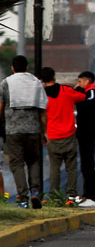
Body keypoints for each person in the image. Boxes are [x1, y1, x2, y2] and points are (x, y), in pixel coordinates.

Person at [0, 55, 47, 208]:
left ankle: (22, 197)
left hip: (13, 130)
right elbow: (43, 113)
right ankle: (35, 192)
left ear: (12, 68)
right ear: (27, 67)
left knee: (17, 163)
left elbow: (0, 108)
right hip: (33, 130)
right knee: (33, 161)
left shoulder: (6, 83)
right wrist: (43, 133)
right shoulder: (36, 83)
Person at [39, 66, 85, 205]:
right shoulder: (66, 91)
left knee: (54, 168)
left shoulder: (42, 96)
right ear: (54, 77)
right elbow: (82, 97)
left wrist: (43, 134)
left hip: (52, 136)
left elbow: (42, 117)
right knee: (71, 167)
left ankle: (54, 195)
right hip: (69, 135)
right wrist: (78, 87)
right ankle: (71, 195)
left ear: (41, 80)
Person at [74, 71, 95, 206]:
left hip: (89, 133)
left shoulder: (93, 93)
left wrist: (78, 92)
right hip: (83, 132)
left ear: (87, 81)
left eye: (80, 82)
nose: (78, 84)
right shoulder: (87, 93)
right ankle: (86, 194)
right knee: (85, 165)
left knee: (89, 165)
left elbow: (86, 103)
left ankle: (91, 196)